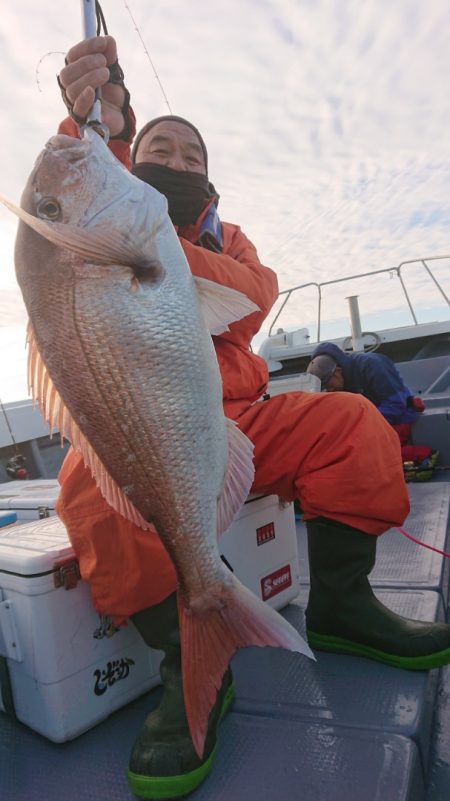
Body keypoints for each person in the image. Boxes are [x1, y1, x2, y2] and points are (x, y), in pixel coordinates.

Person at [55, 36, 450, 800]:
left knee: (353, 422)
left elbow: (251, 295)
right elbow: (76, 186)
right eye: (158, 146)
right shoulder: (102, 215)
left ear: (209, 175)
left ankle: (342, 605)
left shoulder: (223, 238)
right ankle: (193, 665)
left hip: (237, 416)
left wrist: (150, 236)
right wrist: (92, 122)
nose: (176, 157)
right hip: (143, 417)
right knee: (87, 487)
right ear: (130, 154)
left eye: (191, 153)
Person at [306, 342, 439, 477]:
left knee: (363, 451)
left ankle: (424, 455)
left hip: (400, 419)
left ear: (338, 371)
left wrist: (358, 425)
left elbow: (397, 405)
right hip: (371, 422)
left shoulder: (373, 365)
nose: (329, 391)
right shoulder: (341, 379)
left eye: (329, 385)